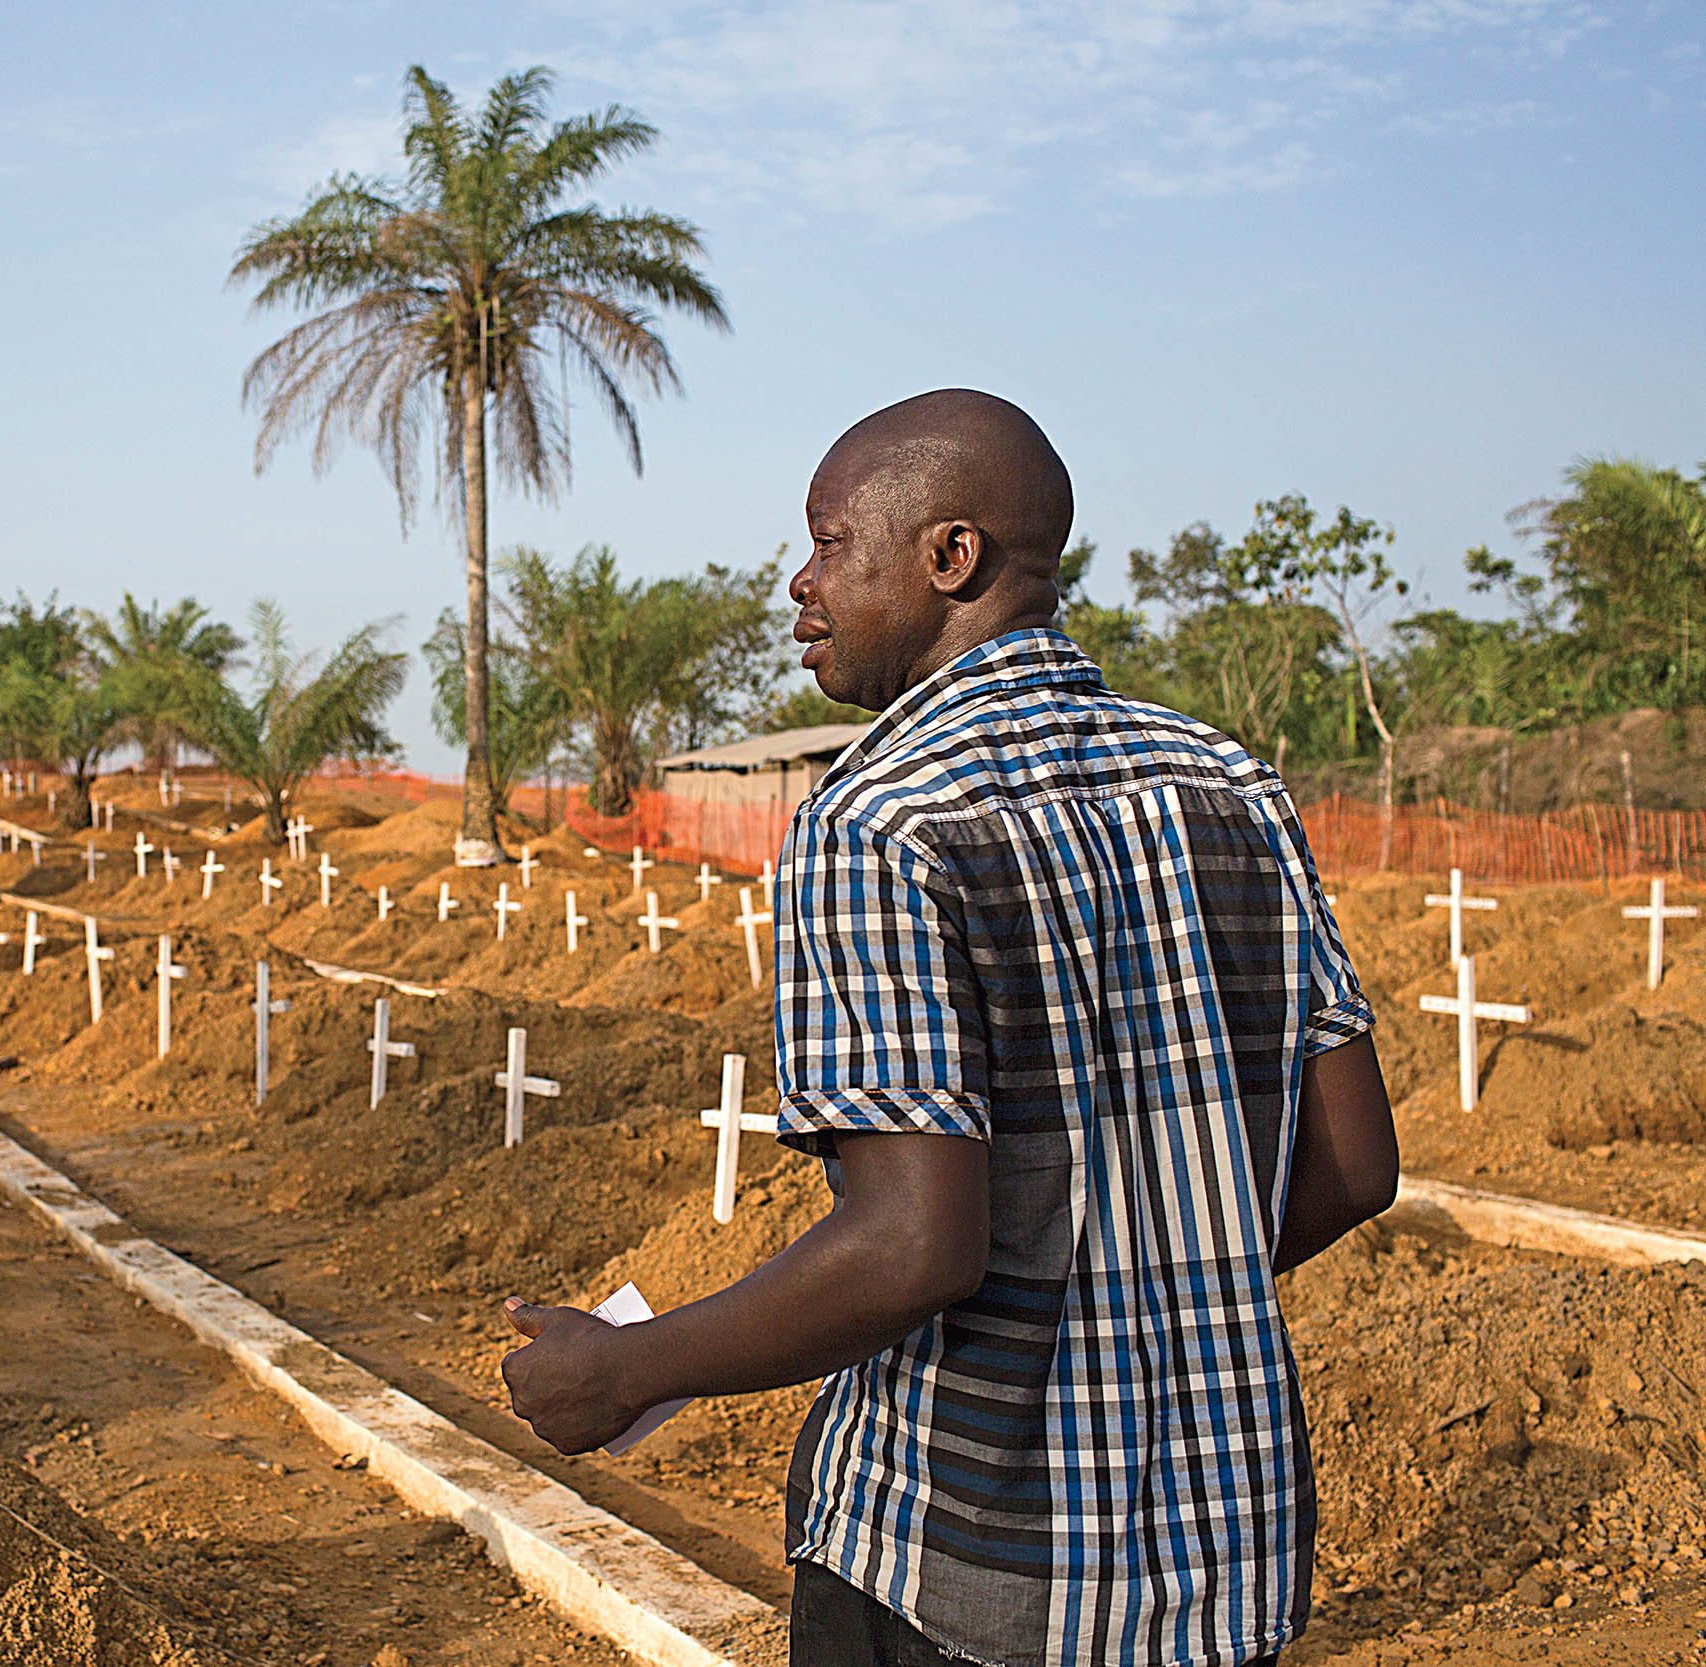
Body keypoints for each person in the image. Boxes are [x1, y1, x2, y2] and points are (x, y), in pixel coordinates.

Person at [499, 389, 1399, 1667]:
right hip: (1222, 1561)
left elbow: (915, 1245)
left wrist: (631, 1365)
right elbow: (1357, 1167)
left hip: (963, 1561)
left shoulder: (878, 819)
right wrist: (1150, 1295)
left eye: (827, 541)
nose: (797, 583)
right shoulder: (1233, 782)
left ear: (948, 556)